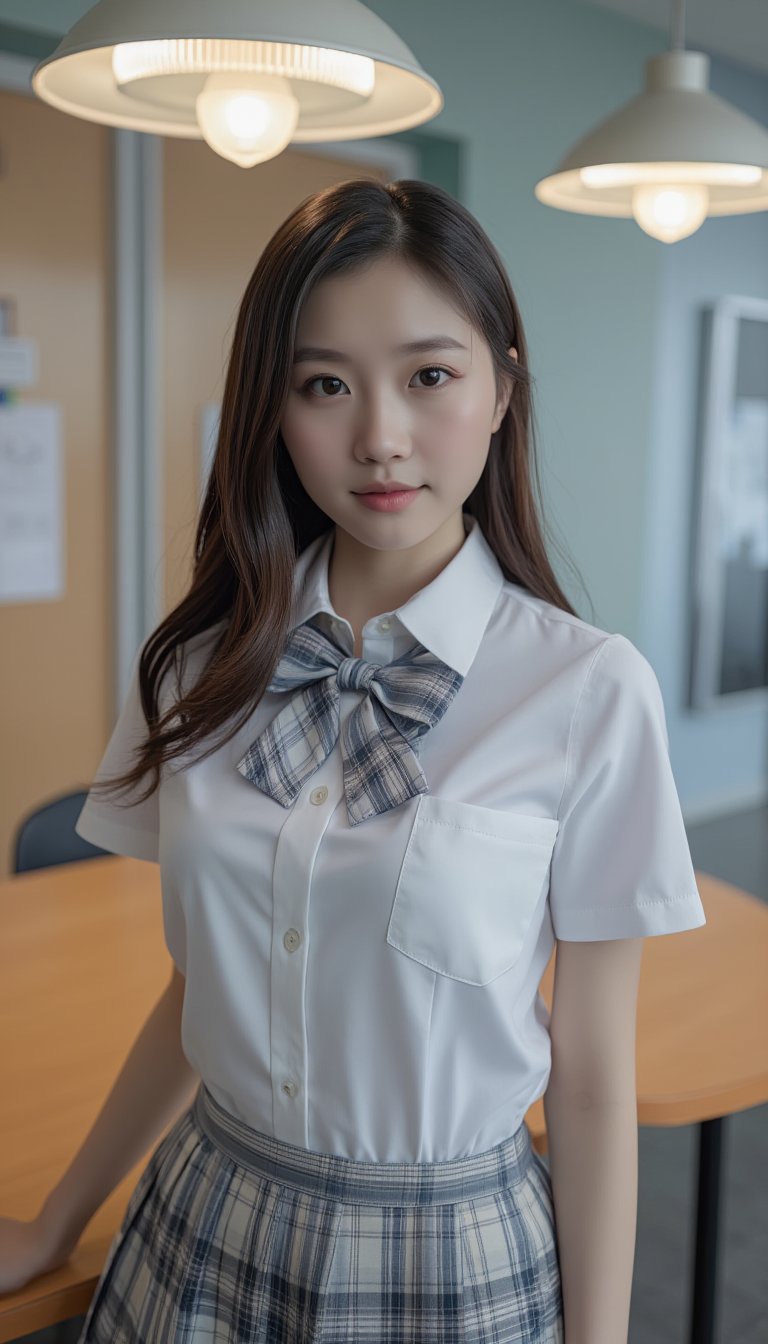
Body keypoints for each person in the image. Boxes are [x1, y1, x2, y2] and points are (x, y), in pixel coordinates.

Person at [0, 177, 706, 1343]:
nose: (379, 436)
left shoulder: (588, 691)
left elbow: (589, 1073)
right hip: (204, 1220)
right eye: (324, 384)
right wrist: (57, 1218)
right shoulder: (197, 666)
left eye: (430, 375)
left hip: (451, 1263)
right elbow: (203, 994)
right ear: (271, 410)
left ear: (501, 391)